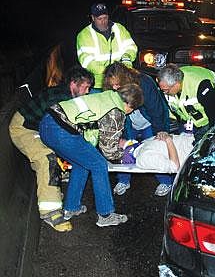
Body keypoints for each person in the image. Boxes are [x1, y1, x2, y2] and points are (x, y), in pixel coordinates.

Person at [39, 84, 144, 227]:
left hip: (46, 124)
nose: (129, 113)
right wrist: (127, 155)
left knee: (81, 164)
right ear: (129, 104)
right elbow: (109, 150)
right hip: (61, 131)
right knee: (99, 165)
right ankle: (105, 215)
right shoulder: (116, 111)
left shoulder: (107, 96)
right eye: (132, 110)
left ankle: (71, 207)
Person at [9, 66, 93, 232]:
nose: (87, 91)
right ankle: (50, 212)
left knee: (54, 156)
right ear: (73, 83)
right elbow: (63, 130)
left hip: (38, 128)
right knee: (47, 159)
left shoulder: (67, 96)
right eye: (85, 87)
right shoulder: (60, 99)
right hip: (23, 128)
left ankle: (51, 187)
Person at [102, 62, 172, 196]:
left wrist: (160, 131)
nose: (115, 87)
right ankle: (123, 180)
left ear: (125, 78)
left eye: (117, 83)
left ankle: (166, 181)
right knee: (124, 149)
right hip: (130, 123)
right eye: (112, 84)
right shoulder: (112, 89)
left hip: (148, 121)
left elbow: (156, 109)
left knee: (153, 150)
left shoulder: (144, 82)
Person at [157, 63, 215, 141]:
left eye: (166, 90)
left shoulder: (201, 86)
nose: (164, 92)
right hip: (190, 120)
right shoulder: (166, 86)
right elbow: (167, 110)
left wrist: (212, 139)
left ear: (177, 84)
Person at [76, 3, 137, 91]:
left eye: (105, 18)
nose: (103, 21)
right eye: (99, 19)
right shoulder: (84, 35)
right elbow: (87, 61)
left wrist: (127, 57)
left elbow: (131, 47)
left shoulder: (119, 29)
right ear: (93, 18)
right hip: (98, 85)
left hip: (121, 82)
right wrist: (109, 73)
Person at [122, 132, 195, 174]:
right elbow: (174, 167)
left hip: (193, 138)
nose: (119, 138)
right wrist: (168, 140)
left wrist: (167, 135)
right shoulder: (142, 158)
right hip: (193, 151)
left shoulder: (143, 143)